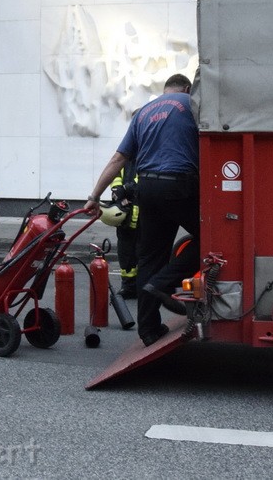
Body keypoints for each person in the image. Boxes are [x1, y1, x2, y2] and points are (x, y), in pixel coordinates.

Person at [83, 73, 199, 347]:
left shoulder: (144, 112)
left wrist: (93, 197)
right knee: (215, 238)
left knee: (149, 257)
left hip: (147, 187)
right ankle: (164, 282)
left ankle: (148, 330)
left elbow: (118, 158)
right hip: (180, 183)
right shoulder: (191, 104)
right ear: (186, 88)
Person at [110, 164, 139, 299]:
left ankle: (144, 286)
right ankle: (128, 286)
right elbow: (115, 174)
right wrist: (117, 190)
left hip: (143, 214)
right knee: (125, 252)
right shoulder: (124, 157)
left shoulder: (146, 154)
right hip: (125, 214)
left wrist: (126, 189)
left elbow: (144, 181)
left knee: (143, 251)